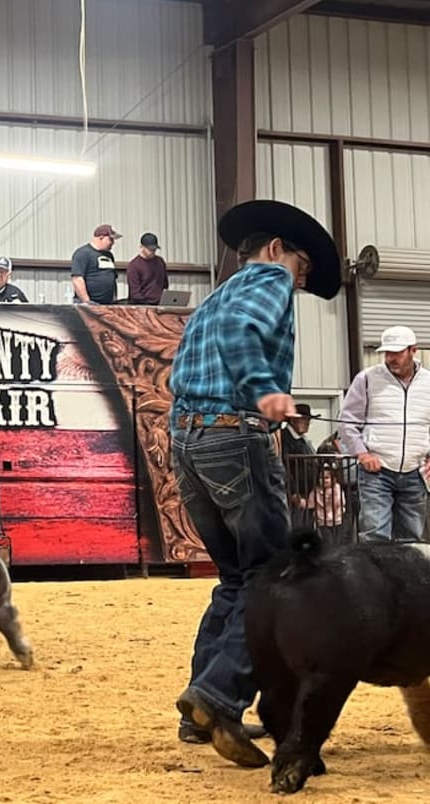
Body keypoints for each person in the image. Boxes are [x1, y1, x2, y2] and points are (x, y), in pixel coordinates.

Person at [168, 199, 342, 767]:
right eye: (301, 268)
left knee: (237, 579)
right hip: (234, 438)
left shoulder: (214, 299)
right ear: (275, 251)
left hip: (188, 443)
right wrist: (265, 390)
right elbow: (246, 337)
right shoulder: (267, 278)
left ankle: (199, 709)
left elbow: (176, 376)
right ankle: (218, 698)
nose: (297, 281)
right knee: (275, 577)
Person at [337, 325, 430, 543]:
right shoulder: (367, 378)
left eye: (397, 352)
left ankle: (406, 579)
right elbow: (347, 421)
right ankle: (374, 579)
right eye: (387, 352)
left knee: (412, 541)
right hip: (376, 472)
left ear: (413, 350)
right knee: (374, 537)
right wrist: (362, 454)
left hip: (416, 472)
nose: (390, 358)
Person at [70, 224, 122, 304]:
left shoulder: (109, 256)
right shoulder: (83, 254)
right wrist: (87, 301)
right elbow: (77, 279)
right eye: (110, 239)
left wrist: (114, 299)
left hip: (107, 304)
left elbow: (113, 278)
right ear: (101, 237)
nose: (113, 243)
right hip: (89, 303)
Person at [126, 232, 170, 305]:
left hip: (159, 303)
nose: (152, 252)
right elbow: (135, 292)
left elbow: (165, 284)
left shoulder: (160, 262)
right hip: (142, 305)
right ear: (141, 247)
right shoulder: (134, 266)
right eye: (150, 249)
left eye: (154, 249)